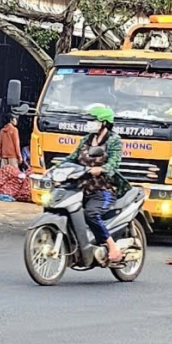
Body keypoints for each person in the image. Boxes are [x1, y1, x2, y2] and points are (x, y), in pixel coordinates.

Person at [61, 104, 127, 265]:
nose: (89, 123)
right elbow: (72, 158)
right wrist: (56, 169)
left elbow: (114, 164)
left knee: (90, 214)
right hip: (81, 188)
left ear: (104, 122)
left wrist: (101, 169)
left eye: (93, 120)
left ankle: (112, 247)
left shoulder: (114, 140)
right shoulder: (86, 139)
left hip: (104, 190)